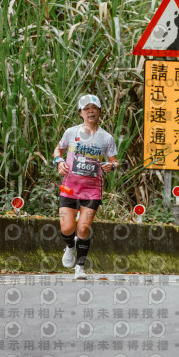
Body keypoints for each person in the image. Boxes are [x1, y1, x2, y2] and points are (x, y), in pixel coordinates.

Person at [53, 95, 119, 280]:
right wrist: (59, 161)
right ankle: (70, 246)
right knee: (67, 228)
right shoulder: (70, 132)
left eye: (94, 108)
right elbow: (58, 149)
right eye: (87, 108)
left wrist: (111, 166)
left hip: (92, 191)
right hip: (69, 188)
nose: (91, 111)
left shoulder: (106, 138)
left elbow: (115, 161)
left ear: (99, 112)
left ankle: (80, 266)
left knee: (83, 228)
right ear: (80, 113)